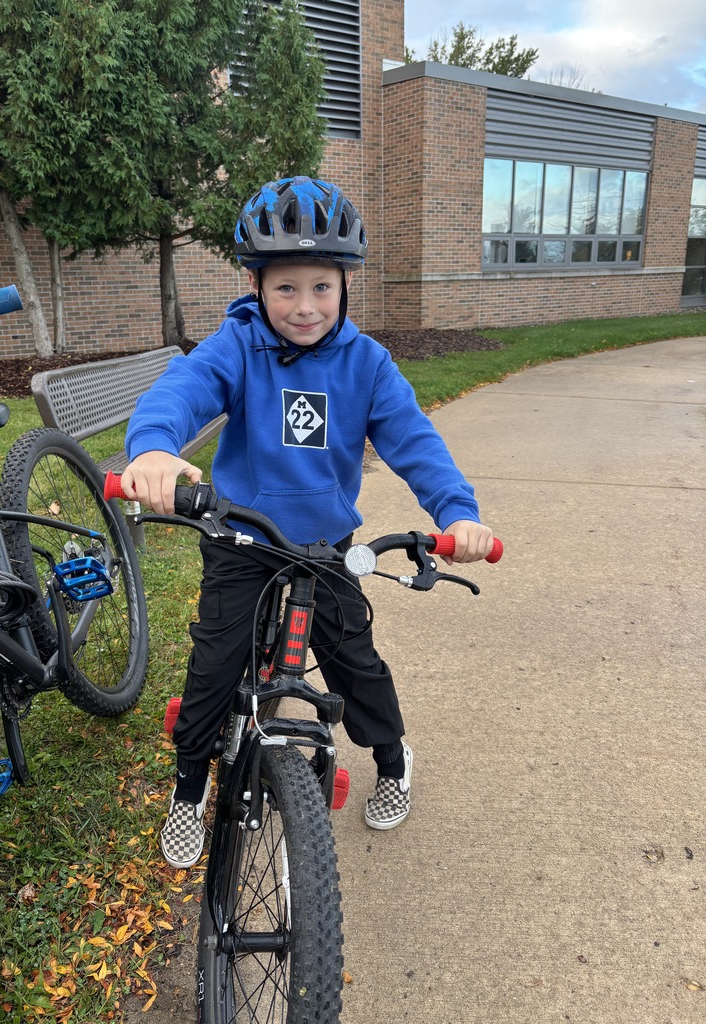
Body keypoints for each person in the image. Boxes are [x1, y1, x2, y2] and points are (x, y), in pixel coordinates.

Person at [122, 176, 494, 869]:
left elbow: (414, 441)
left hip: (326, 546)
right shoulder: (238, 345)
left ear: (344, 285)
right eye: (285, 287)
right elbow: (185, 388)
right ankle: (187, 788)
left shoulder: (367, 363)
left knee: (354, 659)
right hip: (242, 538)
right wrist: (153, 448)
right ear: (257, 285)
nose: (304, 306)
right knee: (213, 666)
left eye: (321, 287)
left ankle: (392, 760)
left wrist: (457, 513)